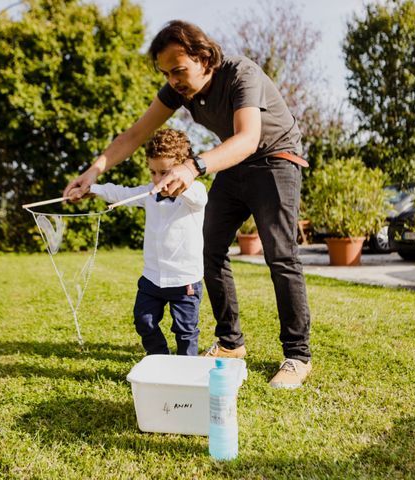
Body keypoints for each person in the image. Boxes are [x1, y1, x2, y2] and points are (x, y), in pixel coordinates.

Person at [65, 20, 311, 389]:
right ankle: (231, 343)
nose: (173, 79)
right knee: (209, 250)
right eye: (166, 72)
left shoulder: (242, 74)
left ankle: (297, 355)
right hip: (235, 162)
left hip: (275, 159)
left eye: (179, 69)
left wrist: (193, 166)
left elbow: (248, 137)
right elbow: (135, 134)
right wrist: (93, 172)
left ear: (204, 57)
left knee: (280, 255)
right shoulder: (178, 91)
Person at [74, 129, 207, 356]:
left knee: (185, 331)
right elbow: (120, 193)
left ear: (180, 168)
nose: (157, 179)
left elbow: (197, 196)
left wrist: (181, 181)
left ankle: (186, 367)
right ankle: (158, 359)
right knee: (144, 322)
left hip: (184, 281)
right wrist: (93, 189)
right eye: (153, 172)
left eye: (164, 172)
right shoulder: (149, 193)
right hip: (152, 278)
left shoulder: (195, 194)